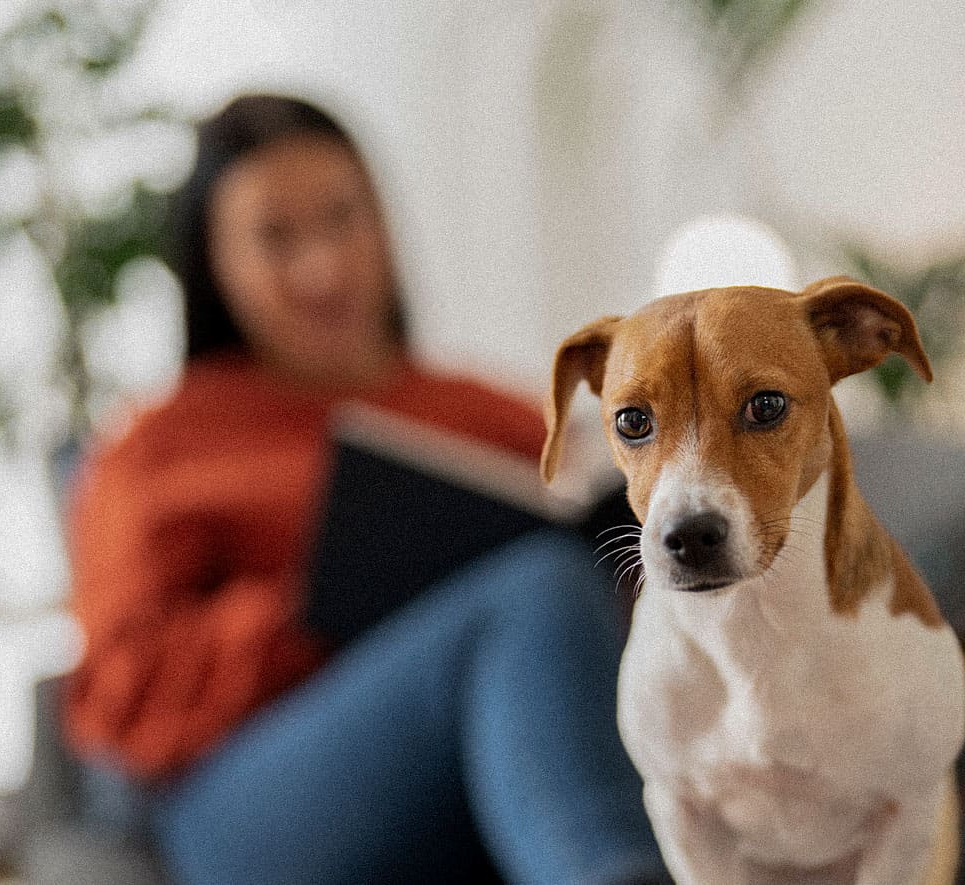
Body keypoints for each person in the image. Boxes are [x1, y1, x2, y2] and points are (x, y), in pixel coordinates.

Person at [63, 95, 666, 885]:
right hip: (247, 800)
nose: (323, 268)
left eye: (343, 219)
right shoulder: (155, 447)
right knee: (532, 590)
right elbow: (121, 696)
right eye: (275, 239)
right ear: (216, 264)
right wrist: (317, 608)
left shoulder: (498, 417)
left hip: (495, 758)